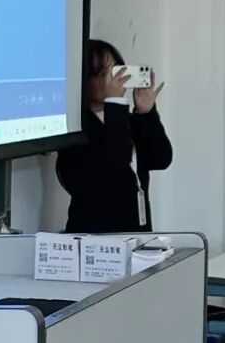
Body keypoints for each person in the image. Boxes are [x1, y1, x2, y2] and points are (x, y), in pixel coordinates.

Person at [56, 39, 173, 233]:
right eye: (102, 74)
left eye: (116, 69)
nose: (113, 79)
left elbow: (161, 158)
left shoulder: (126, 120)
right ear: (83, 79)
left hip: (136, 235)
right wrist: (115, 104)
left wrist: (146, 112)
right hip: (95, 240)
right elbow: (116, 166)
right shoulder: (75, 130)